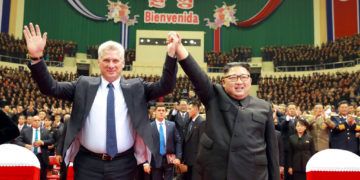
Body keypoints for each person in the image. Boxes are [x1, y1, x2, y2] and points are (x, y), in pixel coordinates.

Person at [23, 23, 178, 179]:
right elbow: (51, 88)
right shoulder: (83, 85)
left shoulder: (136, 87)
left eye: (116, 61)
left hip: (124, 164)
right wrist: (37, 58)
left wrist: (171, 56)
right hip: (88, 164)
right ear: (99, 62)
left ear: (123, 63)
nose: (111, 65)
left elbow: (165, 86)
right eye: (106, 60)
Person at [172, 33, 279, 180]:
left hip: (253, 173)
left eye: (244, 77)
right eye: (233, 78)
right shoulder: (214, 96)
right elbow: (196, 75)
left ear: (250, 80)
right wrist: (179, 47)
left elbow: (272, 150)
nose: (239, 81)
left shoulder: (264, 107)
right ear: (223, 82)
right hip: (218, 172)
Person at [144, 104, 182, 180]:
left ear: (166, 112)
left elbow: (178, 141)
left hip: (169, 159)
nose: (161, 112)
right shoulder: (149, 126)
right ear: (155, 112)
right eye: (159, 110)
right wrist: (146, 162)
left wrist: (178, 157)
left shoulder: (172, 125)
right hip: (155, 160)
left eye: (163, 110)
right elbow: (145, 145)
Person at [15, 115, 54, 180]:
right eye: (35, 120)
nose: (37, 122)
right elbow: (17, 141)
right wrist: (25, 145)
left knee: (42, 176)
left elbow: (51, 140)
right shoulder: (25, 131)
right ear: (32, 122)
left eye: (39, 120)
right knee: (29, 175)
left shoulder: (45, 131)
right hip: (29, 156)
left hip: (42, 156)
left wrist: (42, 142)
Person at [183, 101, 204, 180]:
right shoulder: (189, 121)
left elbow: (201, 143)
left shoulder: (201, 122)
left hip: (196, 160)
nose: (187, 110)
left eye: (189, 108)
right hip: (188, 159)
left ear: (196, 109)